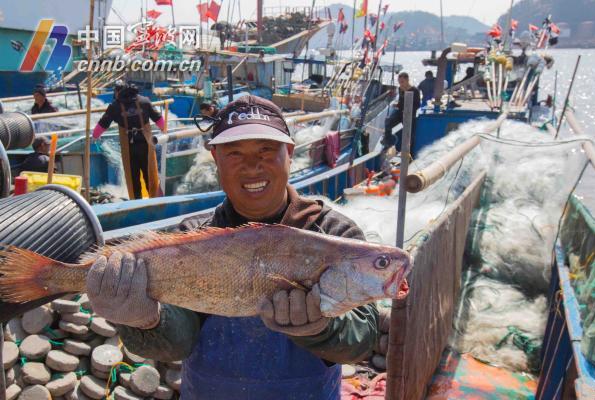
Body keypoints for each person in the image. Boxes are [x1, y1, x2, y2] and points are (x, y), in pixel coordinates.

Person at [86, 95, 409, 400]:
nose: (252, 165)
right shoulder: (192, 237)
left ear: (290, 152)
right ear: (215, 159)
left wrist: (322, 328)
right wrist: (146, 320)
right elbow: (177, 343)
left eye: (267, 150)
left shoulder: (336, 233)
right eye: (235, 153)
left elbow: (363, 338)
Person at [92, 82, 165, 200]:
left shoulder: (115, 106)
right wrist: (163, 130)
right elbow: (160, 120)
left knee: (133, 180)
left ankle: (137, 205)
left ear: (117, 93)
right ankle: (155, 203)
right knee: (150, 176)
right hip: (146, 145)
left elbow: (102, 124)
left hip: (129, 148)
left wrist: (94, 136)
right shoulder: (145, 101)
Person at [383, 72, 421, 155]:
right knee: (388, 121)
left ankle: (409, 153)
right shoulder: (400, 89)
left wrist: (408, 110)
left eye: (402, 82)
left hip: (409, 114)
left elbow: (418, 104)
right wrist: (397, 104)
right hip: (400, 113)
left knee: (409, 135)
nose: (401, 84)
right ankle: (388, 141)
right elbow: (401, 101)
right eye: (399, 82)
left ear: (407, 80)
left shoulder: (415, 91)